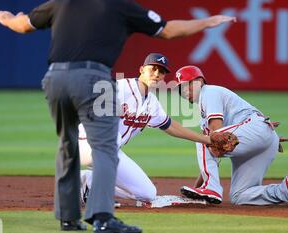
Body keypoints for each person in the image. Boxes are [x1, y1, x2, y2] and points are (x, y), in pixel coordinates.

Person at [0, 0, 236, 233]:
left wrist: (6, 18)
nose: (157, 73)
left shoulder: (63, 2)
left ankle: (68, 218)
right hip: (93, 77)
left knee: (66, 145)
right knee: (106, 150)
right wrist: (208, 22)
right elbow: (168, 30)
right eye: (153, 69)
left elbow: (23, 26)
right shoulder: (121, 8)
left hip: (55, 78)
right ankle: (102, 217)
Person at [79, 53, 224, 205]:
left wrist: (207, 139)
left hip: (110, 153)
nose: (157, 74)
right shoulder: (121, 88)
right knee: (110, 135)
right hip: (87, 144)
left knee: (147, 193)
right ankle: (100, 193)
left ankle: (88, 183)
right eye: (153, 69)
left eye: (161, 72)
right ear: (141, 69)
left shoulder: (152, 103)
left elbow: (171, 126)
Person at [175, 65, 288, 207]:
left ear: (200, 81)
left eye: (187, 85)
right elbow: (210, 158)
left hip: (255, 129)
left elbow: (213, 138)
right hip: (261, 136)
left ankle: (211, 188)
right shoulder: (204, 111)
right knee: (239, 195)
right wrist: (196, 191)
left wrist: (208, 187)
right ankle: (284, 190)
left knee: (204, 139)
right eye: (181, 88)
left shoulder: (208, 92)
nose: (185, 90)